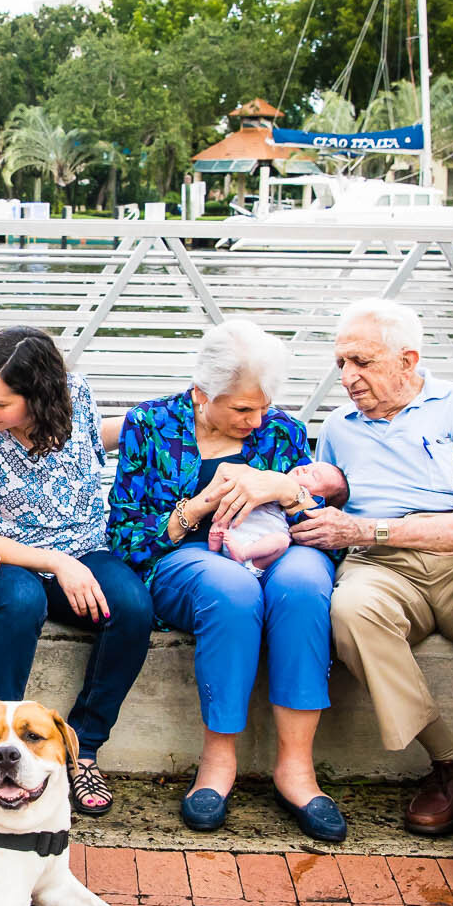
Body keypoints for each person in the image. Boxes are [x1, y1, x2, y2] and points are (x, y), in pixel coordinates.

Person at [296, 298, 453, 886]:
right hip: (386, 568)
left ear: (407, 360)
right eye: (340, 362)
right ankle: (450, 761)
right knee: (350, 607)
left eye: (360, 361)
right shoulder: (338, 426)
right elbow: (328, 509)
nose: (346, 377)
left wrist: (367, 527)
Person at [107, 320, 349, 838]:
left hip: (277, 546)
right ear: (202, 394)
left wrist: (283, 491)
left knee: (306, 585)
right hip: (184, 558)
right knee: (233, 590)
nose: (257, 420)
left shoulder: (279, 430)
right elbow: (127, 538)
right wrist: (199, 505)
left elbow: (319, 527)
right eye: (243, 409)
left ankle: (296, 769)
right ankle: (218, 762)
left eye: (262, 406)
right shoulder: (149, 424)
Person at [0, 326, 154, 816]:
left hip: (82, 548)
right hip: (1, 560)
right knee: (22, 602)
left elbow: (105, 440)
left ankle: (84, 750)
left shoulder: (77, 395)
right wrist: (60, 564)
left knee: (132, 607)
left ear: (38, 396)